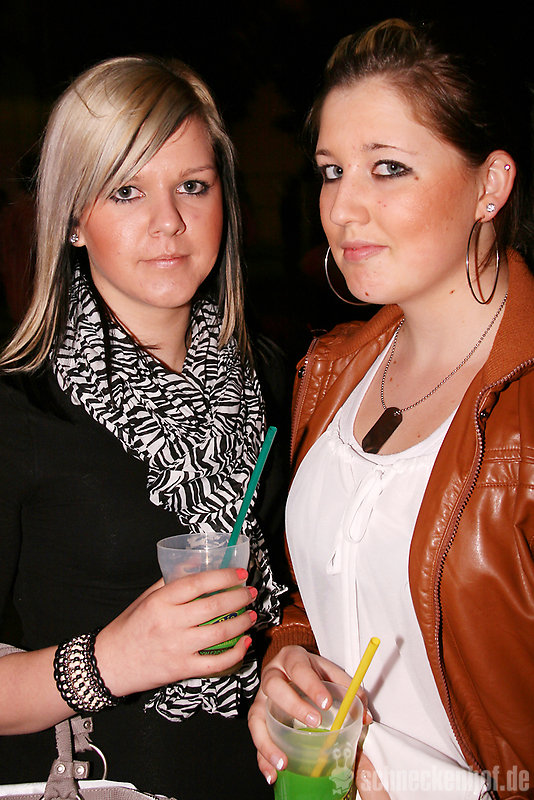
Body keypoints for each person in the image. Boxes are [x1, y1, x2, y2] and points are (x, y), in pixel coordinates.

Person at [248, 18, 534, 800]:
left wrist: (426, 785)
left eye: (388, 168)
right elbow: (331, 587)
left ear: (490, 184)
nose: (343, 208)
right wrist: (287, 661)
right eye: (331, 171)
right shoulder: (329, 369)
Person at [0, 55, 287, 799]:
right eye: (126, 191)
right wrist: (109, 662)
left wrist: (288, 656)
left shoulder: (274, 379)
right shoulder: (19, 408)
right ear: (72, 219)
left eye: (192, 186)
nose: (169, 222)